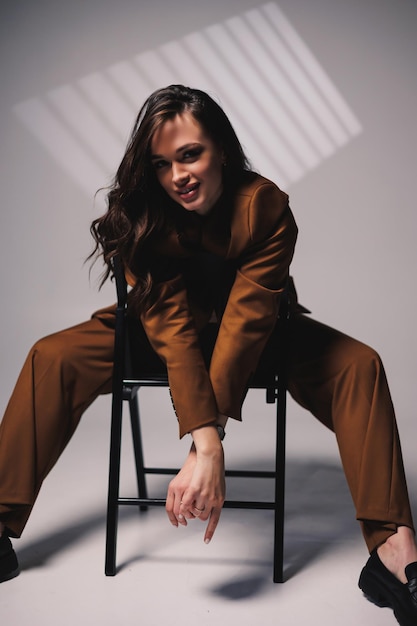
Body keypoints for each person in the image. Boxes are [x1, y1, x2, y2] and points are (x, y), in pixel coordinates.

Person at [0, 84, 416, 624]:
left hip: (257, 341)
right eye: (161, 163)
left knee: (359, 365)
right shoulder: (142, 213)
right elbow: (172, 332)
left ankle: (395, 552)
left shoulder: (265, 207)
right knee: (52, 356)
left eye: (190, 154)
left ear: (220, 147)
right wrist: (207, 440)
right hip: (159, 339)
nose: (178, 175)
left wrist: (206, 444)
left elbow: (246, 326)